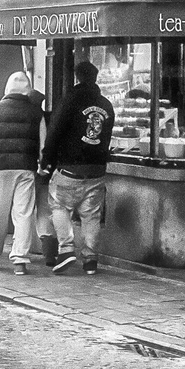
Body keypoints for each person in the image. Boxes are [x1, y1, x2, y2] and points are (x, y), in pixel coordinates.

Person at [39, 60, 115, 276]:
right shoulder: (107, 105)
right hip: (97, 169)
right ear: (96, 78)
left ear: (77, 77)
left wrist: (46, 161)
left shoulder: (69, 101)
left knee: (59, 205)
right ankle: (91, 260)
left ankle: (66, 250)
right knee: (91, 215)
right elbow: (106, 137)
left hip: (70, 167)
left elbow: (54, 133)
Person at [0, 71, 46, 275]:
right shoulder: (36, 113)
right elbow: (43, 144)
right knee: (23, 214)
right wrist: (42, 166)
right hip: (26, 168)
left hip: (1, 168)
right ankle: (20, 259)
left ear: (7, 88)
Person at [28, 87, 59, 266]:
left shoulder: (28, 119)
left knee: (22, 211)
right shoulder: (50, 119)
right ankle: (49, 251)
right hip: (46, 172)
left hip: (28, 169)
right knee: (44, 210)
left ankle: (20, 250)